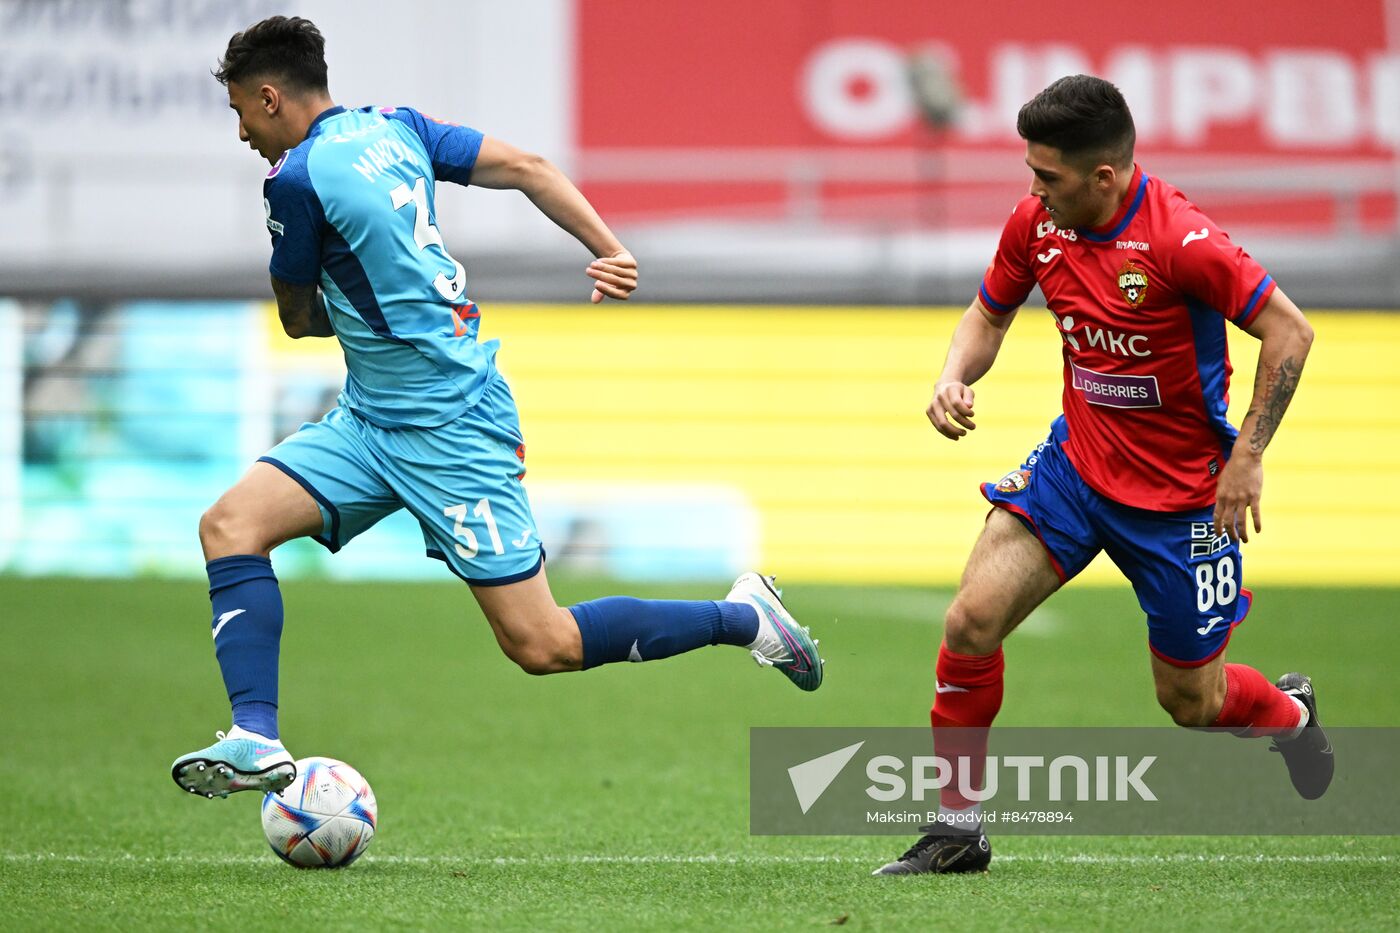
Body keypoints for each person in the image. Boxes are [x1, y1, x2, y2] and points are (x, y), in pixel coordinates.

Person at [171, 15, 822, 800]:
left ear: (270, 97)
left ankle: (743, 617)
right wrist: (608, 247)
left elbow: (297, 316)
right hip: (372, 419)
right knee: (231, 525)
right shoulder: (398, 129)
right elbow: (529, 165)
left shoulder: (295, 181)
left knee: (541, 642)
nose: (243, 133)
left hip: (452, 428)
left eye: (240, 111)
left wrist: (341, 298)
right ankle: (257, 735)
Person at [874, 75, 1329, 876]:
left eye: (1048, 176)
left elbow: (1289, 332)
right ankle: (957, 829)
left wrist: (1247, 456)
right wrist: (955, 374)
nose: (1032, 189)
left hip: (1180, 500)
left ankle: (1291, 716)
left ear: (1105, 177)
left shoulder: (1182, 241)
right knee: (969, 624)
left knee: (1193, 703)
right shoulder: (1036, 225)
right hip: (1075, 470)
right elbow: (990, 311)